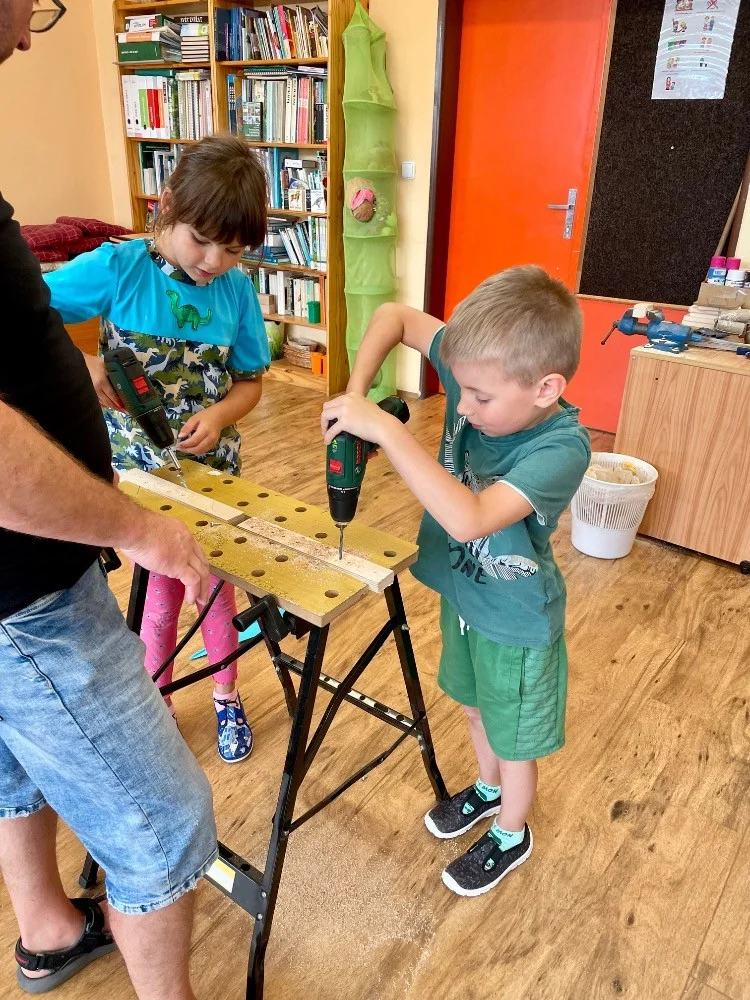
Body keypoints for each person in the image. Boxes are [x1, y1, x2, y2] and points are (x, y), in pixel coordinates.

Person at [0, 2, 218, 996]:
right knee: (165, 826)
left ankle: (49, 930)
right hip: (28, 595)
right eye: (30, 4)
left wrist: (61, 371)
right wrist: (136, 528)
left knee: (18, 760)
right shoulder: (124, 263)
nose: (28, 33)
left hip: (28, 580)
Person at [322, 266, 590, 896]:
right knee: (473, 708)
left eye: (479, 397)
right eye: (460, 387)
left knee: (513, 738)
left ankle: (511, 832)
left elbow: (468, 519)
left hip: (515, 622)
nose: (462, 407)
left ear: (546, 388)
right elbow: (392, 316)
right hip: (467, 598)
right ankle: (487, 790)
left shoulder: (562, 449)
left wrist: (386, 428)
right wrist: (353, 402)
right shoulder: (486, 363)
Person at [44, 134, 270, 763]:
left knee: (211, 589)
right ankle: (160, 700)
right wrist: (84, 362)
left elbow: (250, 382)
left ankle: (225, 694)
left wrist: (219, 416)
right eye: (202, 240)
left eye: (233, 250)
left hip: (212, 475)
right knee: (164, 587)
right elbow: (27, 311)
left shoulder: (236, 292)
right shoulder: (119, 268)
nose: (214, 262)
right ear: (167, 204)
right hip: (139, 474)